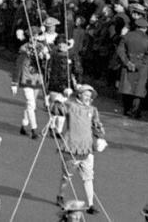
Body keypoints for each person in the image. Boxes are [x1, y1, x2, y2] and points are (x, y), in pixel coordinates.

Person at [58, 82, 106, 214]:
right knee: (67, 176)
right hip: (71, 148)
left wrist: (101, 137)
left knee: (88, 177)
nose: (88, 97)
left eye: (90, 96)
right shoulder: (70, 105)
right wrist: (61, 100)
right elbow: (56, 110)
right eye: (85, 94)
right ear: (79, 95)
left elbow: (97, 126)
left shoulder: (93, 110)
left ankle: (90, 205)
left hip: (87, 149)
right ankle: (60, 195)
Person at [114, 12, 148, 119]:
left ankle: (126, 110)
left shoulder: (127, 36)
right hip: (141, 67)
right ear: (145, 28)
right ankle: (135, 111)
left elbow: (120, 50)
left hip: (128, 63)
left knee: (126, 88)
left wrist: (127, 62)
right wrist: (140, 64)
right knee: (138, 90)